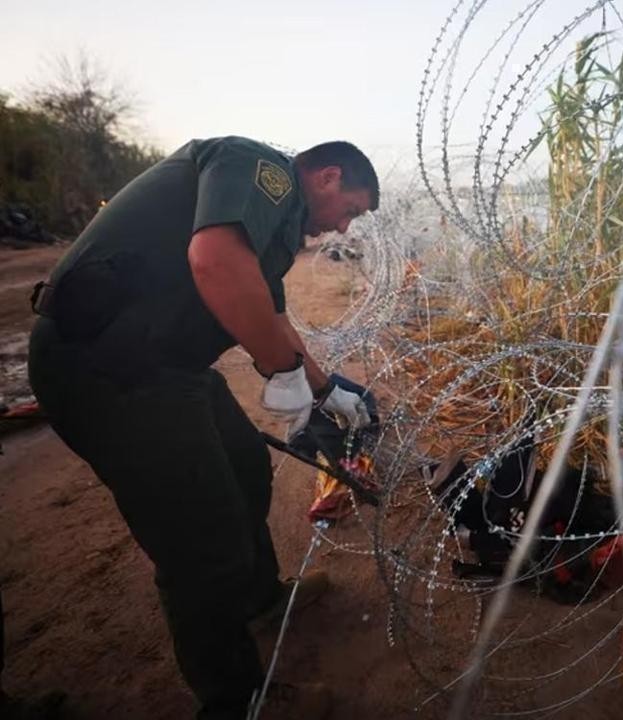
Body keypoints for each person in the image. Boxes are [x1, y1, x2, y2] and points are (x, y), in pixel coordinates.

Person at [26, 136, 379, 719]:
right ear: (328, 177)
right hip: (103, 369)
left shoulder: (273, 225)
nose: (344, 229)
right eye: (351, 210)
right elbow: (213, 261)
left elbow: (270, 316)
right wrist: (282, 372)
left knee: (244, 471)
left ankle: (259, 601)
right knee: (201, 546)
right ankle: (238, 703)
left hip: (165, 366)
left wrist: (324, 388)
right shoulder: (257, 167)